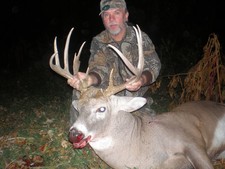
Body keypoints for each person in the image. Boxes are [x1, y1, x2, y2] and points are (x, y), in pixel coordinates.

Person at [67, 0, 161, 125]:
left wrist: (142, 79)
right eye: (106, 15)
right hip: (105, 94)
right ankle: (79, 131)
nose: (111, 18)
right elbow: (99, 68)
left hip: (131, 95)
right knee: (81, 89)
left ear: (126, 15)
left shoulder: (140, 37)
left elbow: (154, 64)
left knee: (147, 126)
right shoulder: (99, 41)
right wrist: (89, 79)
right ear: (102, 19)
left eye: (116, 13)